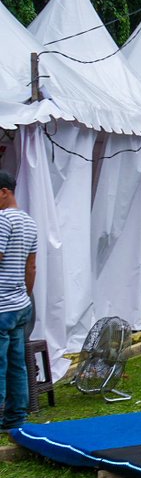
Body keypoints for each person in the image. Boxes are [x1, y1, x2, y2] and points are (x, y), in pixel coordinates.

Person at [0, 170, 39, 431]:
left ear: (4, 192)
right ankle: (16, 418)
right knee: (16, 364)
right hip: (20, 303)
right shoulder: (29, 222)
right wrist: (25, 294)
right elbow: (31, 267)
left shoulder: (3, 220)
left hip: (2, 304)